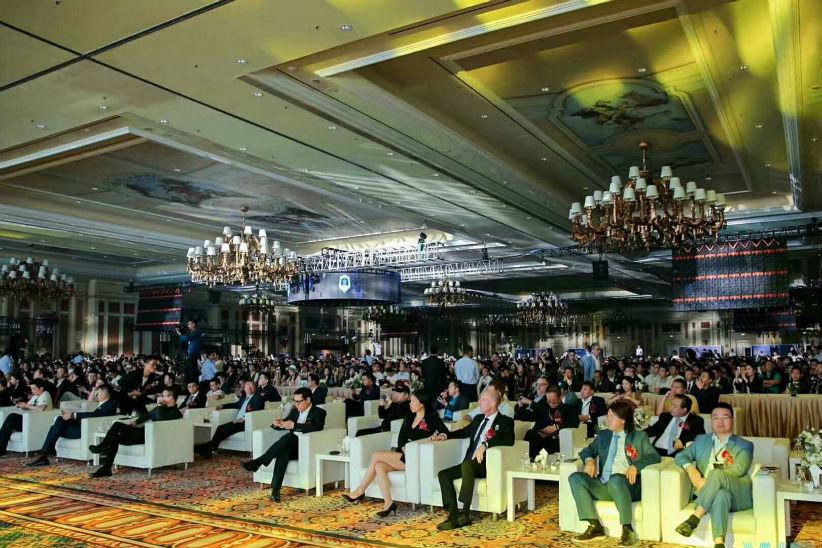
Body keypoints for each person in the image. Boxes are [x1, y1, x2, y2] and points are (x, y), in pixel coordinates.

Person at [569, 400, 661, 545]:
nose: (608, 419)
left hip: (627, 486)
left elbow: (654, 456)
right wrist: (589, 460)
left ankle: (627, 529)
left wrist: (636, 467)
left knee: (616, 479)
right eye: (608, 415)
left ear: (623, 420)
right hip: (604, 485)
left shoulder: (639, 436)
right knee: (575, 478)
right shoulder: (604, 435)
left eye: (611, 416)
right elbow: (587, 451)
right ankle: (595, 526)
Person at [343, 389, 446, 515]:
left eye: (413, 401)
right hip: (403, 454)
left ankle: (360, 491)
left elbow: (446, 432)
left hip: (416, 457)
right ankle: (389, 502)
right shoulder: (409, 416)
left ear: (422, 403)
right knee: (379, 466)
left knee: (376, 455)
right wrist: (403, 448)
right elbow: (401, 438)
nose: (410, 404)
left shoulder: (431, 417)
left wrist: (439, 437)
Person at [433, 388, 515, 531]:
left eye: (482, 400)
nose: (479, 402)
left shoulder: (505, 421)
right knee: (444, 474)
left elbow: (509, 440)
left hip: (485, 464)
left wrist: (486, 445)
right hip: (469, 462)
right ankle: (453, 513)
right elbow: (464, 432)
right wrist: (446, 435)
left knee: (467, 466)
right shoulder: (478, 419)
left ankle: (465, 513)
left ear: (492, 403)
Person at [673, 403, 754, 548]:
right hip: (708, 492)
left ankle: (695, 518)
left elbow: (738, 470)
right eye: (715, 418)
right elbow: (681, 456)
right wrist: (691, 469)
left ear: (732, 420)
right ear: (711, 421)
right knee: (721, 494)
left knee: (716, 474)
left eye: (725, 417)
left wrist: (711, 479)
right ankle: (719, 542)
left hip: (736, 492)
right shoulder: (701, 440)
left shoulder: (745, 445)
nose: (720, 421)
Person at [241, 387, 326, 502]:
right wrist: (277, 424)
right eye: (295, 401)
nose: (296, 404)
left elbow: (316, 428)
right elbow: (285, 423)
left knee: (289, 437)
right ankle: (275, 491)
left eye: (299, 401)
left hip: (307, 448)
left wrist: (295, 426)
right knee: (284, 451)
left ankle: (259, 461)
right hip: (292, 447)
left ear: (308, 400)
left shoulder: (319, 412)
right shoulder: (295, 411)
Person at [88, 387, 183, 478]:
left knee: (114, 435)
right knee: (116, 427)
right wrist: (135, 422)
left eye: (164, 396)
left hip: (148, 436)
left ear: (171, 397)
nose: (162, 398)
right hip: (142, 432)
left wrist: (160, 407)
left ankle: (103, 449)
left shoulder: (175, 412)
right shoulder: (162, 408)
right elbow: (147, 415)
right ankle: (106, 465)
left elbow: (160, 422)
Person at [27, 384, 118, 467]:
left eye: (98, 393)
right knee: (59, 421)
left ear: (104, 394)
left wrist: (74, 415)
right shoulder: (105, 404)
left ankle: (45, 454)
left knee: (56, 426)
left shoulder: (110, 404)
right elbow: (92, 414)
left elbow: (94, 415)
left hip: (86, 431)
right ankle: (45, 453)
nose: (96, 395)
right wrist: (72, 416)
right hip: (83, 427)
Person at [194, 381, 264, 457]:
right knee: (220, 427)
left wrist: (244, 418)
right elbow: (235, 404)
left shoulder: (258, 398)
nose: (250, 388)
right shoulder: (243, 398)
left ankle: (208, 448)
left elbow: (257, 410)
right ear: (244, 388)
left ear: (255, 388)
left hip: (247, 422)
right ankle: (210, 448)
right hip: (238, 421)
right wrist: (222, 406)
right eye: (248, 386)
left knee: (222, 429)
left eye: (252, 386)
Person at [0, 379, 54, 456]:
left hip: (37, 422)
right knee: (9, 422)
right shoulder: (35, 396)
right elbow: (29, 406)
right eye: (31, 389)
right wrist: (22, 406)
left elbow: (42, 408)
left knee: (12, 417)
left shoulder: (45, 394)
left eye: (34, 389)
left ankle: (1, 449)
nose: (32, 391)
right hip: (29, 420)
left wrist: (26, 405)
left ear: (41, 388)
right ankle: (1, 449)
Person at [524, 385, 579, 460]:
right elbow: (537, 425)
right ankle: (533, 460)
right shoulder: (544, 409)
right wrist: (541, 432)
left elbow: (574, 423)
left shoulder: (568, 408)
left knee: (551, 440)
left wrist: (556, 427)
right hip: (544, 438)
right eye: (549, 401)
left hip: (558, 439)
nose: (551, 403)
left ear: (559, 397)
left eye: (554, 400)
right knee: (530, 434)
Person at [176, 320, 203, 384]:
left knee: (192, 372)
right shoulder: (190, 332)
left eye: (189, 324)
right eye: (188, 324)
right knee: (189, 371)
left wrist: (180, 334)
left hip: (193, 353)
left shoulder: (196, 332)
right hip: (190, 354)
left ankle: (193, 384)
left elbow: (187, 338)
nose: (188, 326)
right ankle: (190, 384)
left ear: (194, 324)